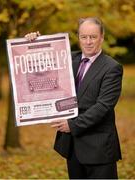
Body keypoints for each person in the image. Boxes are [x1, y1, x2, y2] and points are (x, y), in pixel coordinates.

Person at [25, 17, 123, 179]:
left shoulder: (112, 68)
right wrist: (33, 43)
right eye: (84, 37)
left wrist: (72, 125)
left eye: (93, 37)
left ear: (102, 37)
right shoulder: (68, 59)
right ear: (78, 37)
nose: (88, 41)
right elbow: (40, 62)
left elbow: (103, 107)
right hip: (73, 146)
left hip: (98, 148)